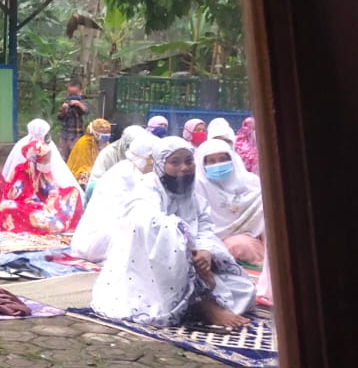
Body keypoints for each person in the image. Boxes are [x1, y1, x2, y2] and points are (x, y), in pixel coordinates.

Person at [90, 137, 256, 329]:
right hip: (150, 265)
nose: (184, 168)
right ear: (161, 165)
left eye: (188, 161)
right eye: (175, 162)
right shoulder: (147, 188)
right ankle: (202, 304)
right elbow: (145, 222)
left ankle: (198, 298)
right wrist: (186, 243)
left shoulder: (193, 194)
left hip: (192, 257)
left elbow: (204, 226)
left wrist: (205, 251)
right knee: (169, 243)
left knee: (244, 290)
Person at [72, 131, 159, 262]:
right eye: (152, 157)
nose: (154, 162)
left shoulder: (141, 172)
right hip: (106, 233)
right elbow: (119, 211)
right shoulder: (122, 172)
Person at [196, 139, 266, 265]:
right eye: (211, 161)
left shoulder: (250, 182)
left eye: (223, 159)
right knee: (239, 245)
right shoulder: (198, 187)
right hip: (214, 241)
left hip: (254, 236)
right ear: (202, 163)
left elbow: (264, 204)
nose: (218, 165)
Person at [0, 139, 84, 235]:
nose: (48, 163)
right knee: (7, 206)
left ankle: (55, 219)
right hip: (27, 206)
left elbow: (52, 188)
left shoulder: (42, 171)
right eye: (45, 160)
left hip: (45, 204)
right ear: (36, 159)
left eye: (48, 160)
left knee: (74, 191)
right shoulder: (21, 171)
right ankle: (53, 221)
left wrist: (51, 200)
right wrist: (40, 205)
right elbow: (16, 197)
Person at [67, 118, 113, 185]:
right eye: (103, 137)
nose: (105, 140)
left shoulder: (106, 144)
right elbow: (82, 168)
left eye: (107, 136)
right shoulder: (84, 143)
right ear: (95, 134)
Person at [57, 80, 90, 156]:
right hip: (65, 135)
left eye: (75, 94)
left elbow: (86, 111)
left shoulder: (82, 102)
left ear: (80, 92)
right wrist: (63, 109)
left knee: (75, 155)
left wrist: (78, 104)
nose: (72, 97)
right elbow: (60, 117)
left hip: (77, 135)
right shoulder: (66, 102)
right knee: (62, 155)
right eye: (70, 94)